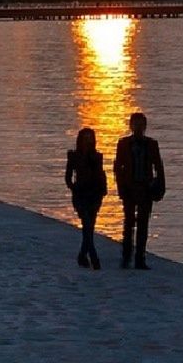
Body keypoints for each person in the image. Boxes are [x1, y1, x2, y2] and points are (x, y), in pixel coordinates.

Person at [114, 113, 166, 270]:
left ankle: (140, 258)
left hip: (146, 189)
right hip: (129, 189)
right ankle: (126, 256)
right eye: (135, 124)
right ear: (131, 126)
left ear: (145, 127)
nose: (138, 128)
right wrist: (121, 187)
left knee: (143, 225)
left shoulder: (152, 144)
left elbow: (158, 167)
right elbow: (118, 167)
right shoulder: (123, 144)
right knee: (128, 224)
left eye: (141, 125)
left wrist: (159, 187)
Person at [65, 128, 107, 270]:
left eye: (90, 138)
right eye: (85, 138)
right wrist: (74, 188)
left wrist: (102, 191)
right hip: (80, 195)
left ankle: (82, 255)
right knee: (87, 224)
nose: (88, 141)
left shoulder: (97, 157)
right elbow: (68, 177)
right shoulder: (74, 156)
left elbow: (101, 175)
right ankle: (94, 257)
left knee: (89, 227)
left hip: (94, 195)